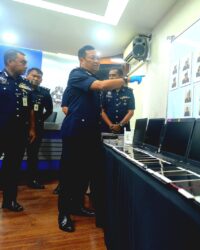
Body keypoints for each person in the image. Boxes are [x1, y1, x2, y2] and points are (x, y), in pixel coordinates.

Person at [58, 45, 143, 232]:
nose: (97, 61)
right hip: (75, 133)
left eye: (98, 58)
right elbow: (102, 86)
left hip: (90, 134)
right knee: (69, 175)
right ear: (81, 59)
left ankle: (77, 206)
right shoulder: (77, 74)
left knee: (84, 174)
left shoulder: (92, 77)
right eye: (92, 57)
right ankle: (63, 213)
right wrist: (126, 79)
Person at [0, 49, 36, 212]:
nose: (25, 65)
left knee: (12, 168)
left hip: (18, 134)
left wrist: (32, 128)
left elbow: (30, 109)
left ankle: (9, 200)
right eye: (22, 62)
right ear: (10, 62)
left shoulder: (25, 84)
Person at [26, 68, 53, 189]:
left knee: (33, 155)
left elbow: (50, 110)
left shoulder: (45, 93)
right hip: (17, 127)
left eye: (39, 77)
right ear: (27, 76)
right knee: (14, 155)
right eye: (33, 76)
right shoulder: (20, 88)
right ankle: (9, 180)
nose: (36, 78)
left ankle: (32, 179)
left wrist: (40, 119)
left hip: (36, 128)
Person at [101, 68, 135, 134]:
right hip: (107, 128)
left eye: (113, 75)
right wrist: (110, 125)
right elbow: (101, 111)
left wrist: (120, 125)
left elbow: (131, 112)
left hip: (123, 129)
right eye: (109, 75)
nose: (111, 77)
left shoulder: (128, 92)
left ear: (121, 77)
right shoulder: (105, 91)